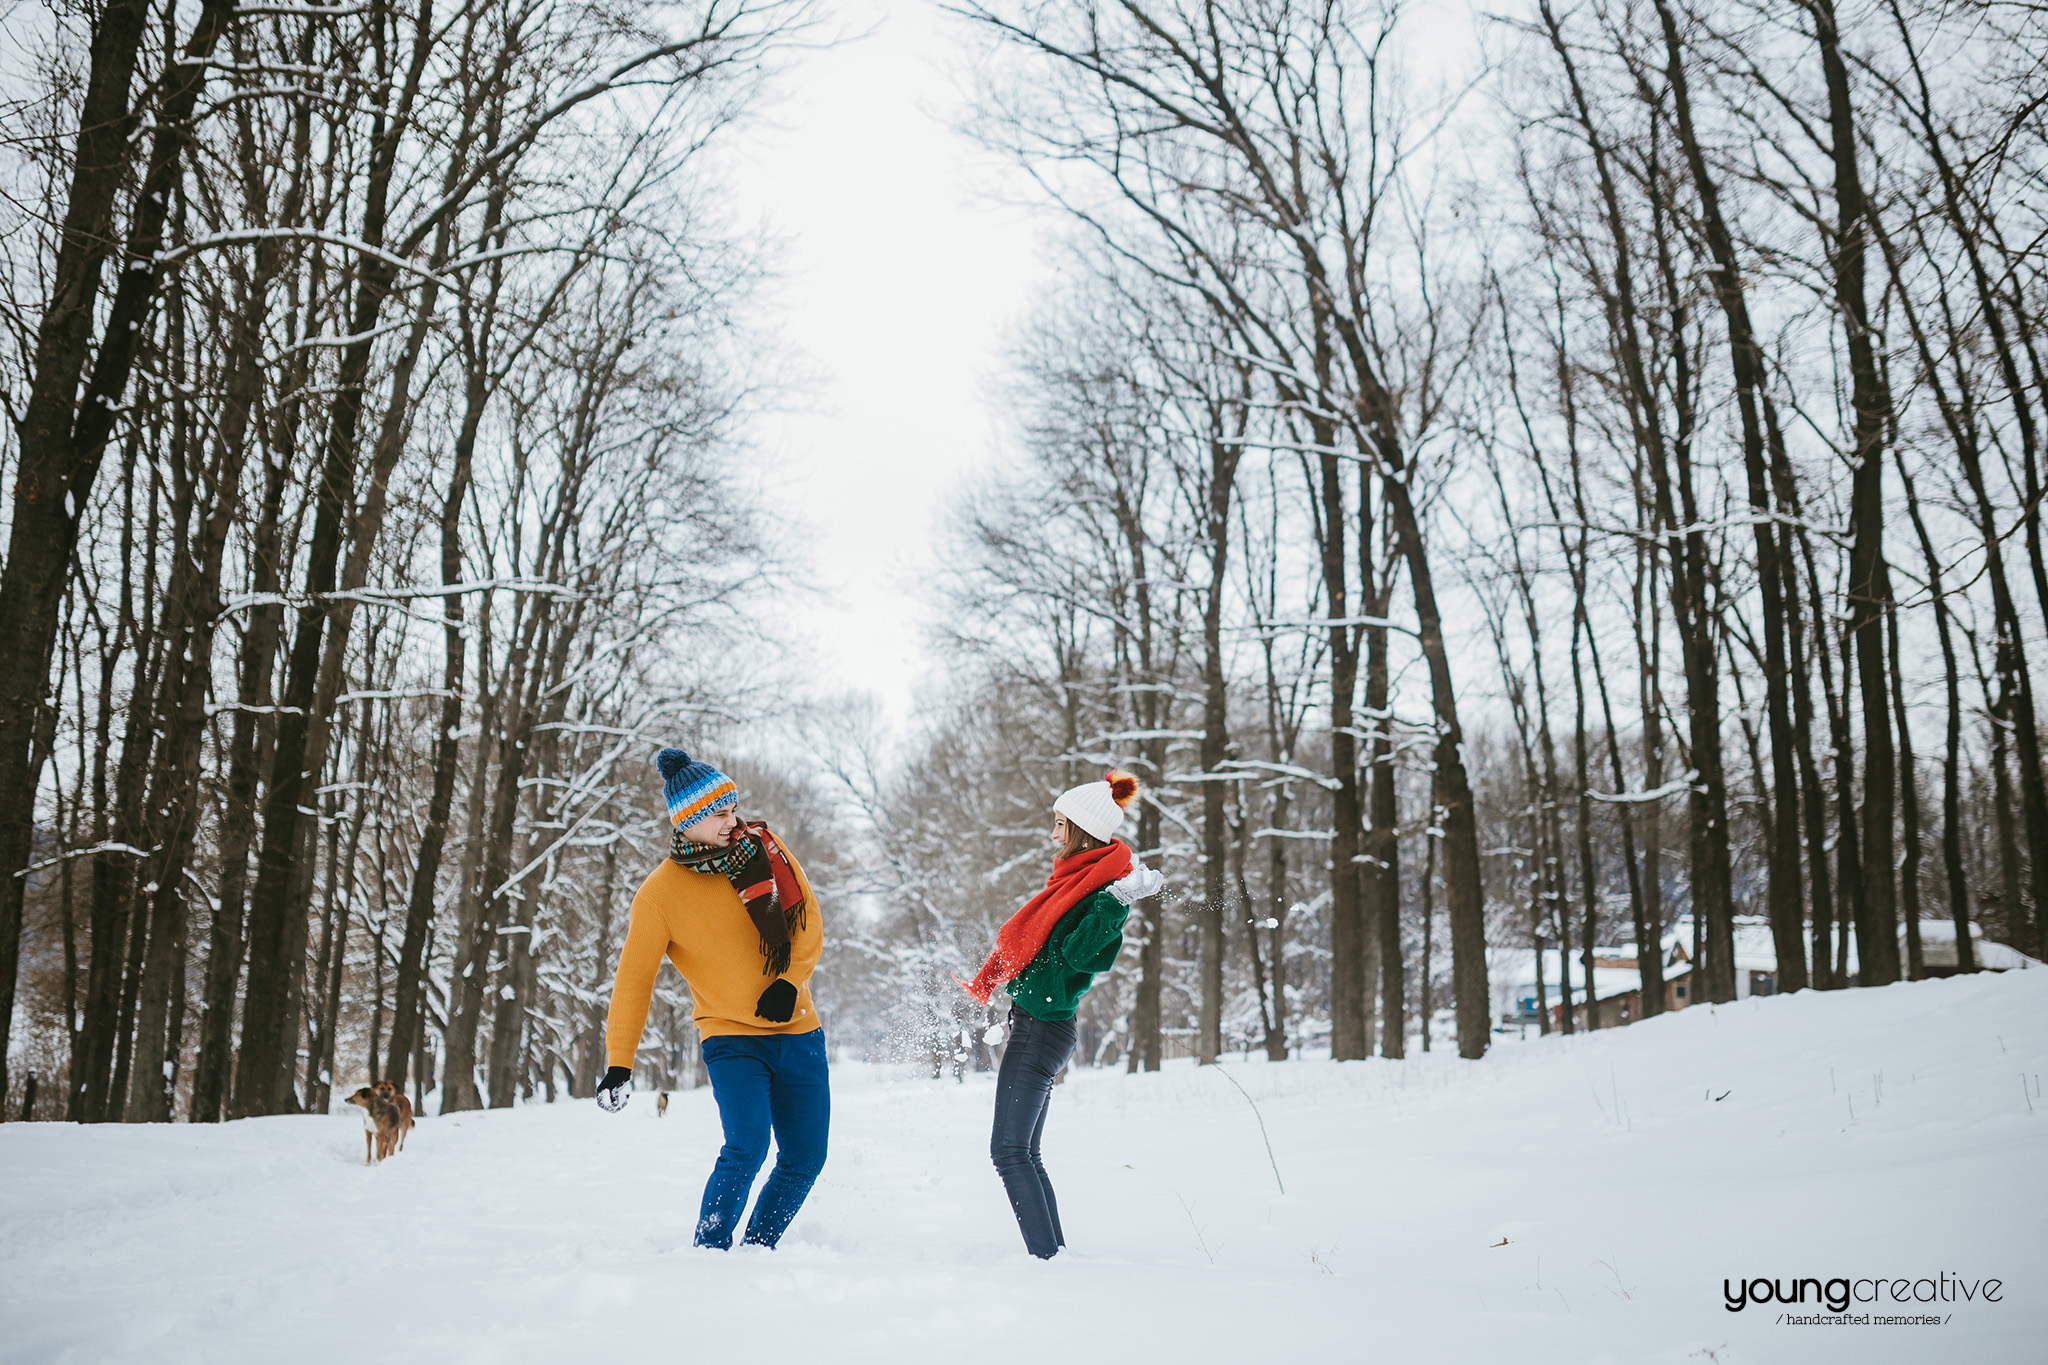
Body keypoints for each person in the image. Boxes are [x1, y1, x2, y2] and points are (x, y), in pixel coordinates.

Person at [597, 750, 829, 1251]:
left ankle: (758, 1248)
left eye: (733, 807)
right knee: (747, 1146)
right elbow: (633, 981)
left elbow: (807, 918)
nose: (733, 820)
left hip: (799, 1030)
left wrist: (788, 981)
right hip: (731, 1038)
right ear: (690, 821)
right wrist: (620, 1063)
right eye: (720, 813)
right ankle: (709, 1251)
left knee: (806, 1157)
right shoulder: (659, 895)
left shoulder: (764, 849)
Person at [962, 770, 1164, 1258]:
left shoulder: (1101, 893)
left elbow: (1082, 957)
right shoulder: (1078, 882)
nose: (1053, 835)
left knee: (1008, 1152)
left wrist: (1115, 905)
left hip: (1042, 1032)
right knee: (1024, 1152)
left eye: (1060, 824)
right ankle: (1055, 1257)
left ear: (1081, 829)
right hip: (1039, 1027)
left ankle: (1047, 1261)